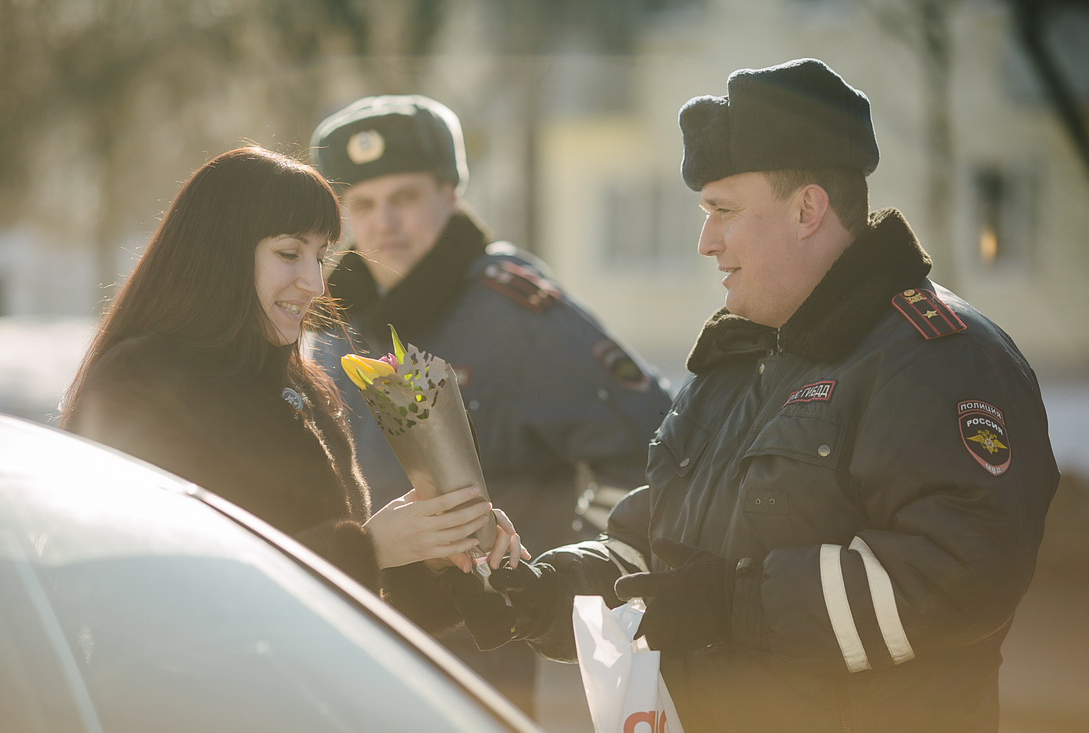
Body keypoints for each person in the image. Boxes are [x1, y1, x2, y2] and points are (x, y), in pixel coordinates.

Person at [457, 58, 1060, 733]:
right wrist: (542, 595)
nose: (706, 241)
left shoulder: (938, 355)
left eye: (724, 211)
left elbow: (960, 574)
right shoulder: (740, 360)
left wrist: (736, 605)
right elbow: (658, 551)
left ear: (808, 208)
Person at [58, 146, 525, 632]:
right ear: (219, 253)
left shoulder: (302, 387)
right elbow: (156, 595)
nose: (315, 283)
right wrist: (370, 548)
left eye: (320, 256)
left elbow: (350, 615)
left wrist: (427, 551)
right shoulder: (139, 383)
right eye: (289, 253)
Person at [309, 95, 672, 716]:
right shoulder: (335, 319)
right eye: (362, 205)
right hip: (365, 640)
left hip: (489, 655)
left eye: (405, 197)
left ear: (451, 194)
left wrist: (569, 571)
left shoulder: (515, 312)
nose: (383, 223)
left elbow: (652, 446)